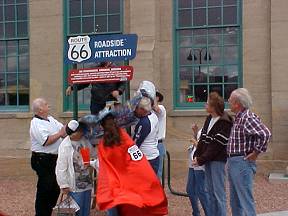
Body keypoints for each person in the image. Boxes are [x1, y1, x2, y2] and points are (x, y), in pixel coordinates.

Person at [96, 110, 168, 216]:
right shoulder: (124, 137)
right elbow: (135, 160)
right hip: (129, 184)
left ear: (102, 126)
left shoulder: (104, 143)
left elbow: (104, 166)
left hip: (113, 186)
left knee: (114, 210)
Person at [227, 88, 271, 216]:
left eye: (230, 99)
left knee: (245, 200)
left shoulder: (247, 117)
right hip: (234, 162)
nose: (228, 101)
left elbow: (265, 134)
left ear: (237, 103)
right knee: (235, 201)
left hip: (242, 163)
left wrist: (256, 152)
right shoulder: (239, 118)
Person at [193, 92, 233, 216]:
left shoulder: (225, 122)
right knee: (209, 191)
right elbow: (203, 139)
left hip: (218, 161)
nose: (205, 105)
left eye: (207, 103)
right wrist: (197, 155)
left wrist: (201, 159)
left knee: (218, 193)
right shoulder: (209, 118)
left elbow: (216, 146)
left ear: (214, 106)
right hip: (208, 160)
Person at [30, 98, 66, 216]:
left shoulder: (50, 119)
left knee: (55, 188)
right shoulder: (35, 123)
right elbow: (45, 141)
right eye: (45, 104)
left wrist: (67, 129)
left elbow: (63, 129)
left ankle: (48, 212)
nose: (48, 105)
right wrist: (60, 134)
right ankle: (41, 214)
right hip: (42, 159)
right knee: (45, 188)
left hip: (54, 158)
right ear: (40, 109)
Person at [56, 120, 93, 216]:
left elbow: (90, 153)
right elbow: (61, 167)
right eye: (80, 131)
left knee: (85, 210)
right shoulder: (65, 146)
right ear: (73, 133)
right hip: (74, 185)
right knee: (77, 211)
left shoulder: (84, 141)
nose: (82, 132)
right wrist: (63, 184)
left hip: (86, 182)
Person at [186, 128, 210, 216]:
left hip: (200, 163)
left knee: (201, 191)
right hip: (192, 162)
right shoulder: (205, 126)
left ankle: (209, 213)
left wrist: (195, 143)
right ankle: (196, 213)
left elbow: (204, 148)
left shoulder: (214, 127)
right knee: (190, 189)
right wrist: (195, 134)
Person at [133, 97, 160, 174]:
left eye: (137, 108)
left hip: (146, 157)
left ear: (142, 109)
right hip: (153, 155)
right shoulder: (153, 116)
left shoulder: (144, 123)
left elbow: (136, 143)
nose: (135, 110)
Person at [153, 91, 166, 181]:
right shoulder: (147, 110)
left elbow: (157, 109)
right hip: (149, 144)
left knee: (157, 173)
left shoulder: (161, 108)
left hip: (158, 144)